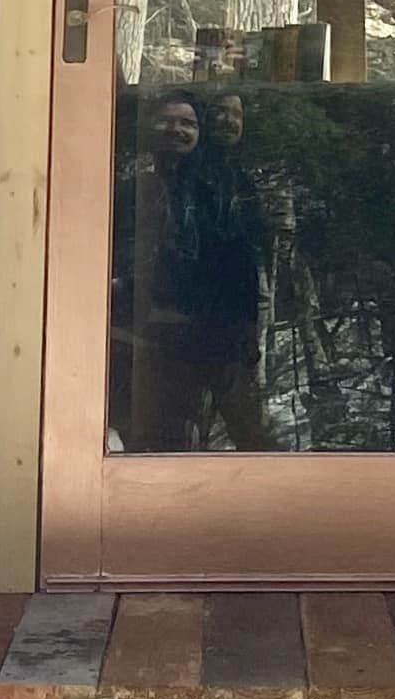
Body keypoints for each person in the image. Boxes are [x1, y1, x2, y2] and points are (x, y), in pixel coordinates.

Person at [116, 91, 275, 450]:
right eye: (167, 121)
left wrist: (244, 333)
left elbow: (237, 266)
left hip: (210, 338)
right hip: (147, 340)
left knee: (249, 440)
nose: (176, 130)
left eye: (187, 123)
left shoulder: (216, 191)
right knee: (160, 440)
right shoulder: (132, 188)